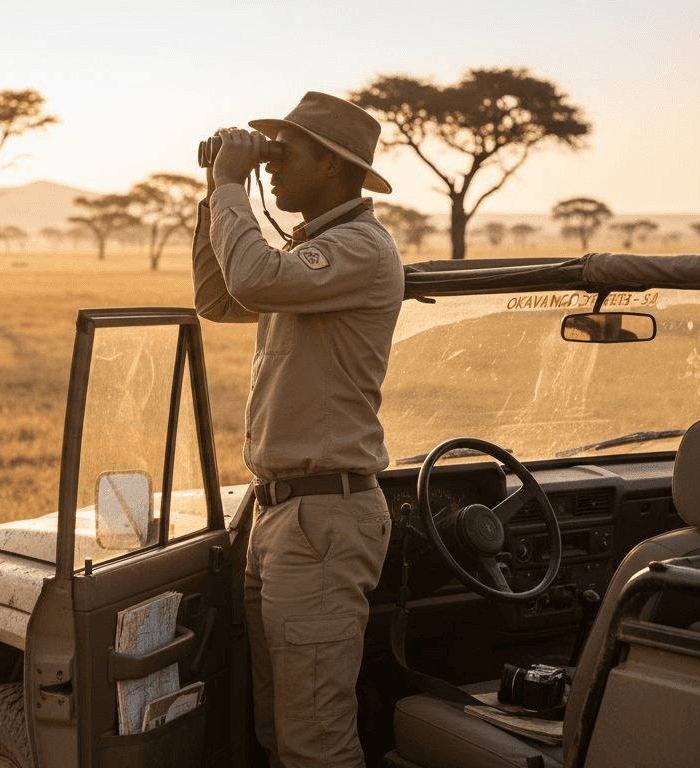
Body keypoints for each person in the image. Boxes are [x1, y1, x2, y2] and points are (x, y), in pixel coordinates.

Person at [191, 91, 404, 767]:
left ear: (336, 168)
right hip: (288, 516)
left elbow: (251, 280)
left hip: (323, 518)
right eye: (267, 155)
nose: (273, 168)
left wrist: (232, 184)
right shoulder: (311, 254)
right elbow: (219, 298)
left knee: (315, 740)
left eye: (288, 154)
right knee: (276, 729)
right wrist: (213, 193)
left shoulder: (359, 250)